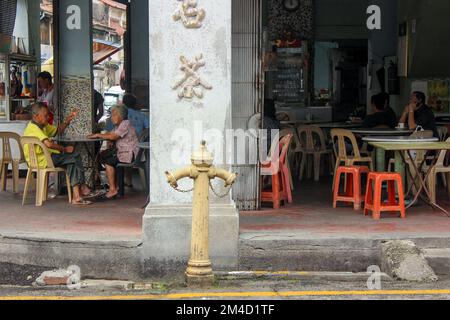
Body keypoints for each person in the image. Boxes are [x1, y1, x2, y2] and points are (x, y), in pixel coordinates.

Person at [23, 102, 94, 205]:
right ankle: (82, 186)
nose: (48, 117)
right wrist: (64, 149)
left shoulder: (42, 125)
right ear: (36, 116)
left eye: (48, 115)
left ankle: (77, 197)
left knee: (71, 162)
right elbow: (49, 144)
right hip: (43, 160)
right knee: (75, 156)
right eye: (45, 115)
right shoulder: (34, 129)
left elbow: (57, 131)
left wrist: (67, 121)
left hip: (45, 158)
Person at [89, 105, 139, 200]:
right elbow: (110, 134)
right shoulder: (118, 126)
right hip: (123, 153)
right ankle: (116, 186)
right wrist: (97, 134)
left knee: (109, 161)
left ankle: (112, 189)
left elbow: (112, 137)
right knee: (102, 156)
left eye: (114, 115)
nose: (112, 117)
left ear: (120, 115)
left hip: (129, 154)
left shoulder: (125, 123)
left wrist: (98, 135)